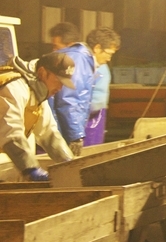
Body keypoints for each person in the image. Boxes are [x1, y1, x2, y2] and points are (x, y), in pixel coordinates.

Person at [0, 52, 77, 181]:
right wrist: (30, 169)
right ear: (42, 72)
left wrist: (69, 164)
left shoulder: (37, 93)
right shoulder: (13, 87)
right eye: (58, 81)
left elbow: (49, 133)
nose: (60, 88)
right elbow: (10, 133)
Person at [49, 23, 97, 156]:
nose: (54, 50)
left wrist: (74, 135)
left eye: (56, 46)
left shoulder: (74, 58)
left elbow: (69, 97)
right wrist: (75, 134)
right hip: (62, 130)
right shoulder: (79, 57)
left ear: (69, 44)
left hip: (61, 130)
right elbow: (70, 98)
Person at [82, 27, 121, 146]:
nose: (109, 59)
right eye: (108, 53)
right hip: (84, 121)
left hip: (91, 120)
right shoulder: (82, 65)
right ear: (97, 48)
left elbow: (98, 101)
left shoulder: (101, 69)